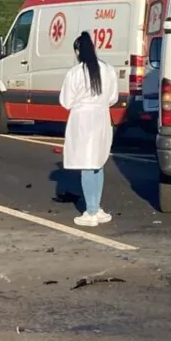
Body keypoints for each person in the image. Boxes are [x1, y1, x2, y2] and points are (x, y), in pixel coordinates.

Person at [58, 31, 119, 227]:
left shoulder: (75, 72)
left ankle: (91, 212)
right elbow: (113, 98)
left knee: (86, 163)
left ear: (78, 51)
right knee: (97, 163)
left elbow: (66, 101)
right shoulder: (108, 69)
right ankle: (97, 207)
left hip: (82, 120)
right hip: (101, 118)